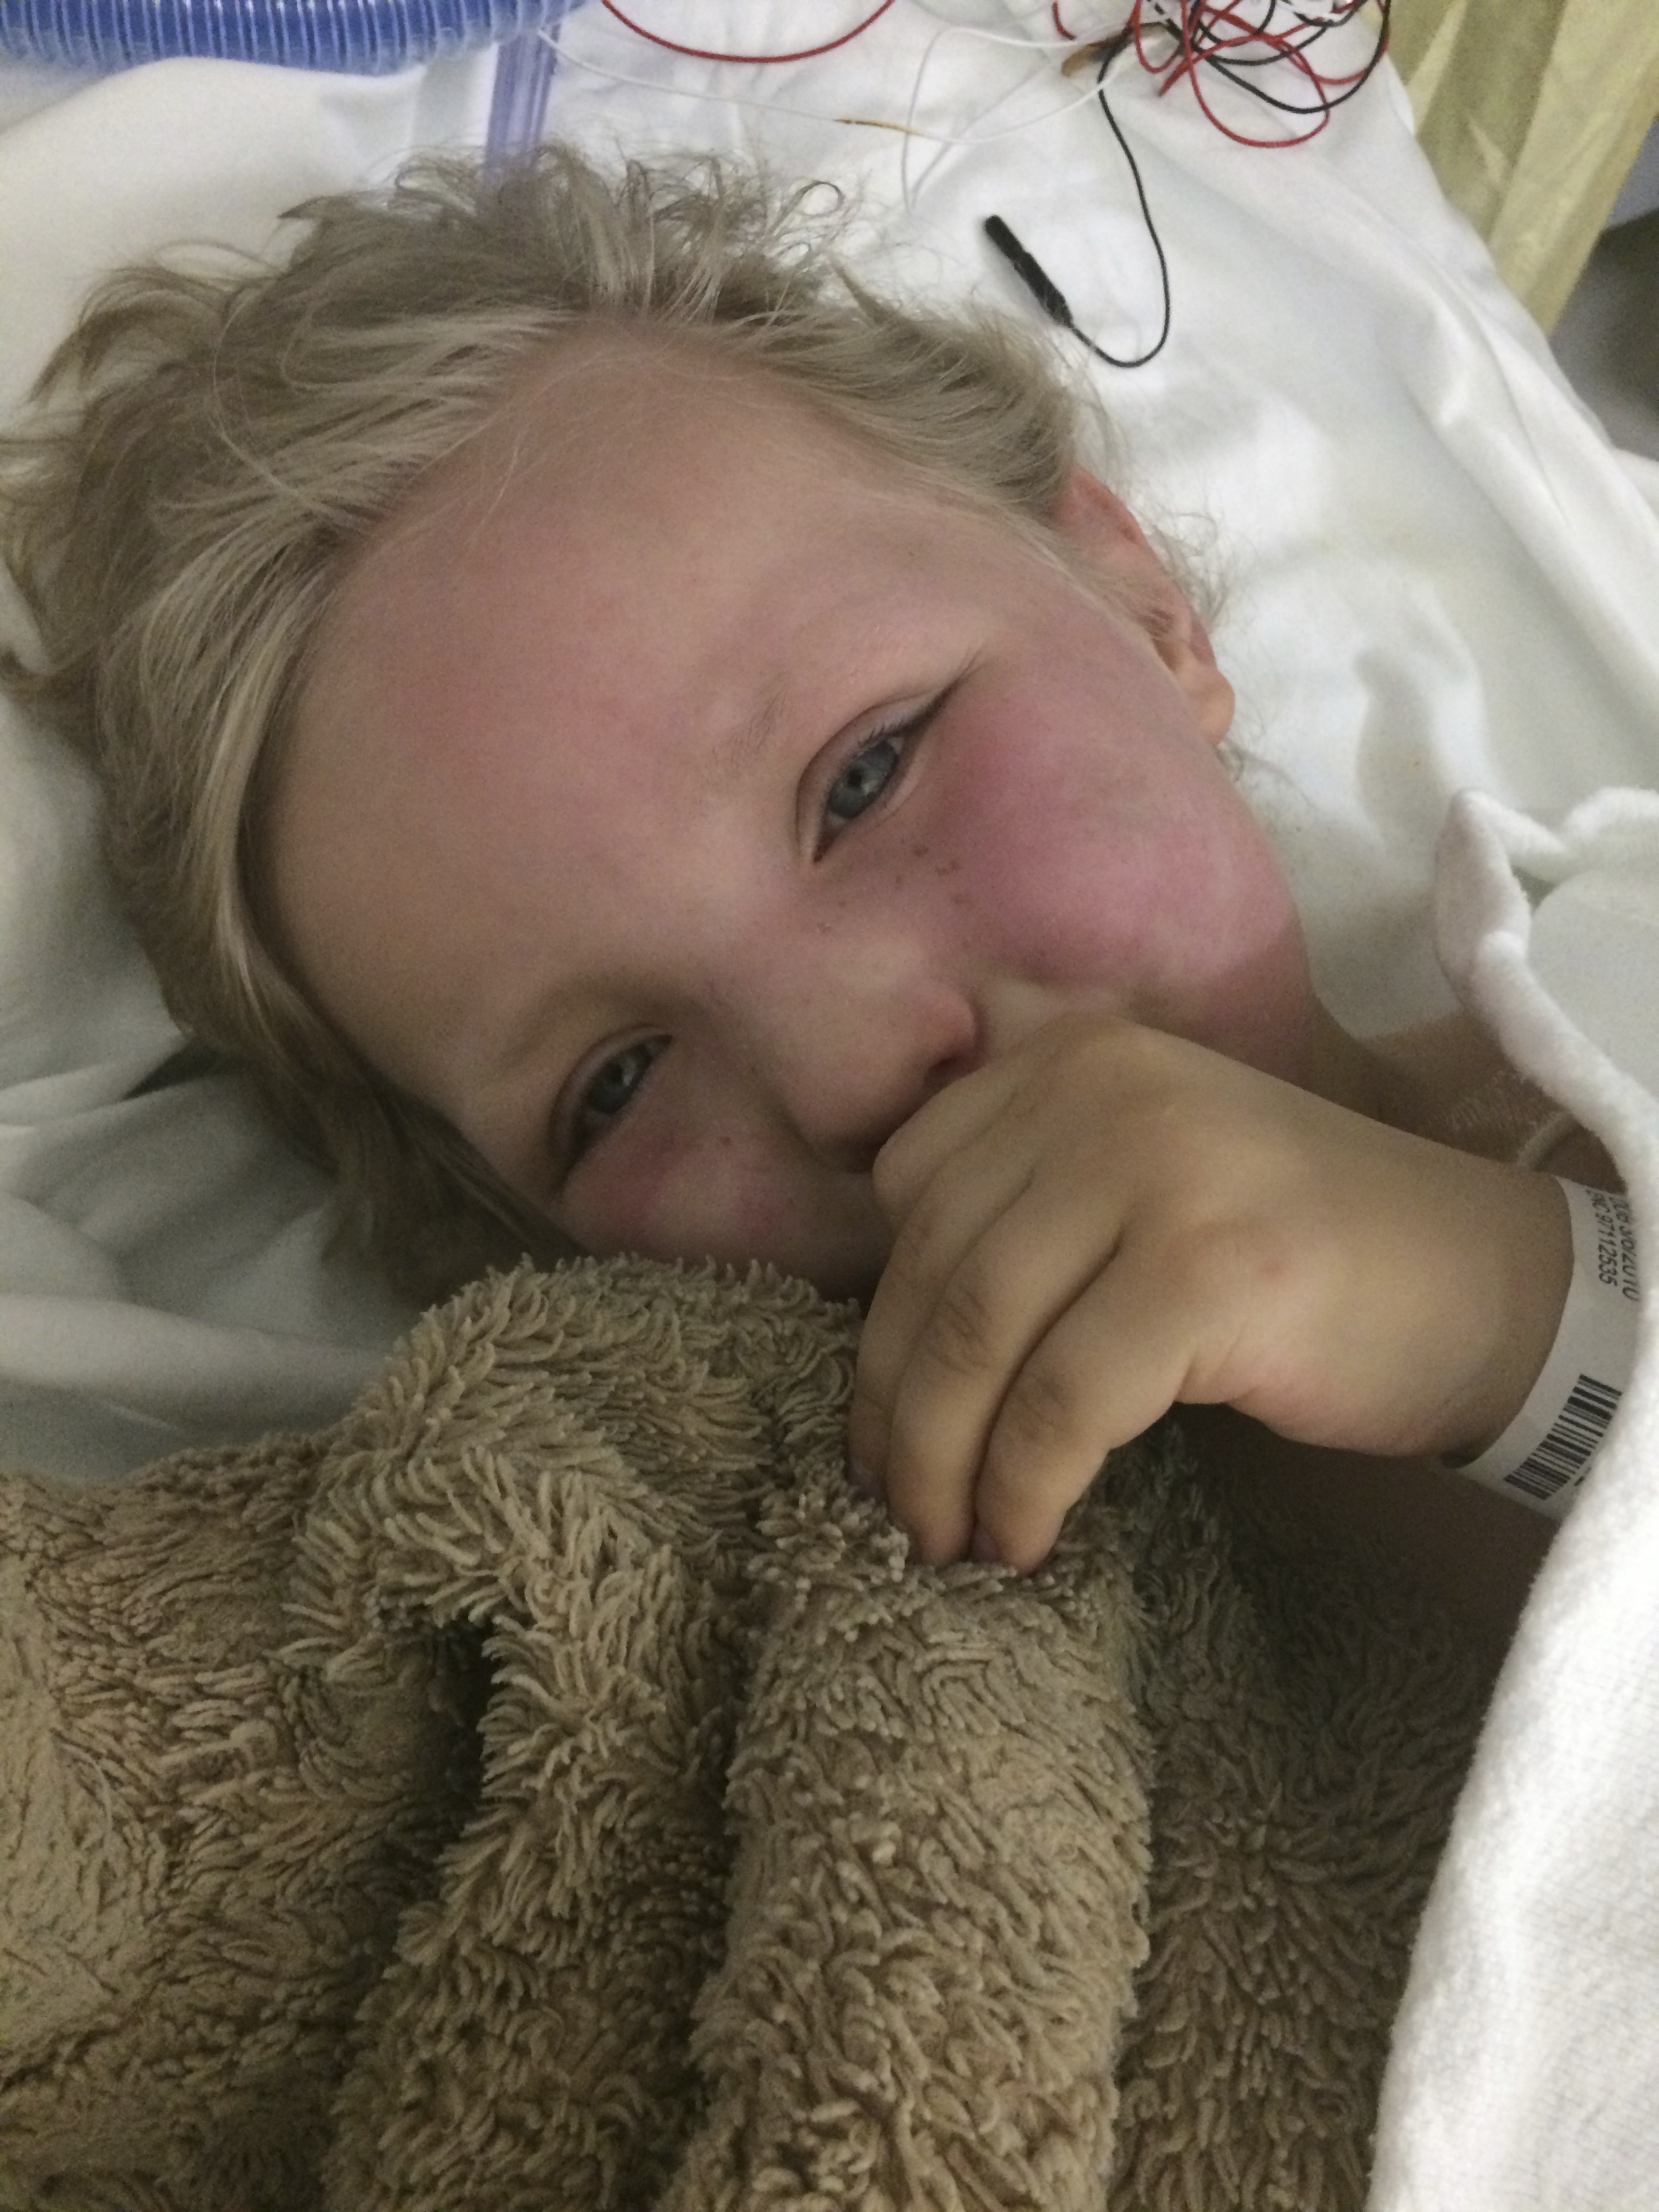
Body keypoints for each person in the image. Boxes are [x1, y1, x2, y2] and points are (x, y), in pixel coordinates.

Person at [0, 147, 1599, 1639]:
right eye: (617, 1084)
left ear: (1142, 605)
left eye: (865, 775)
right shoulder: (710, 1601)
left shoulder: (1619, 962)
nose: (848, 1075)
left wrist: (1518, 1331)